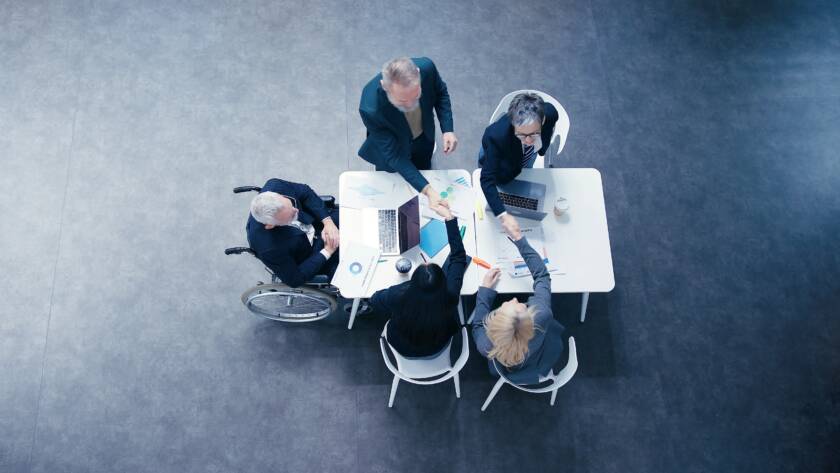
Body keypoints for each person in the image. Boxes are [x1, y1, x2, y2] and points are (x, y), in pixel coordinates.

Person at [358, 56, 458, 213]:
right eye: (402, 101)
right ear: (385, 86)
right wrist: (429, 191)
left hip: (423, 139)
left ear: (418, 73)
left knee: (424, 170)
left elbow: (440, 93)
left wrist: (447, 129)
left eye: (416, 96)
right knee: (391, 190)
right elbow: (394, 155)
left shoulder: (427, 68)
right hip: (392, 149)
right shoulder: (371, 107)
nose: (411, 105)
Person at [471, 225, 565, 385]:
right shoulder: (542, 315)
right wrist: (520, 240)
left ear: (493, 325)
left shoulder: (485, 345)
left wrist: (485, 290)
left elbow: (478, 325)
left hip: (507, 369)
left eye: (506, 305)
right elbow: (542, 276)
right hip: (539, 359)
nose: (514, 299)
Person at [370, 204, 466, 357]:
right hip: (437, 346)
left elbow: (375, 300)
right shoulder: (451, 294)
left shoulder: (398, 295)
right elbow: (459, 257)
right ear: (443, 280)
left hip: (402, 345)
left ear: (412, 282)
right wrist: (450, 219)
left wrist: (400, 286)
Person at [478, 92, 559, 237]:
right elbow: (486, 179)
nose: (529, 141)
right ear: (513, 124)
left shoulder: (550, 114)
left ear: (543, 120)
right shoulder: (496, 136)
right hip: (500, 161)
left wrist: (538, 143)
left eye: (534, 133)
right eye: (521, 134)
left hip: (526, 158)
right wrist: (502, 215)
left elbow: (549, 122)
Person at [246, 178, 340, 288]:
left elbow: (305, 193)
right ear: (270, 225)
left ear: (279, 195)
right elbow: (295, 279)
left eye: (291, 205)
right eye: (292, 216)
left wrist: (327, 221)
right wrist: (328, 251)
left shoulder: (275, 186)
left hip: (319, 222)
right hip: (314, 253)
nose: (296, 211)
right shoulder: (268, 248)